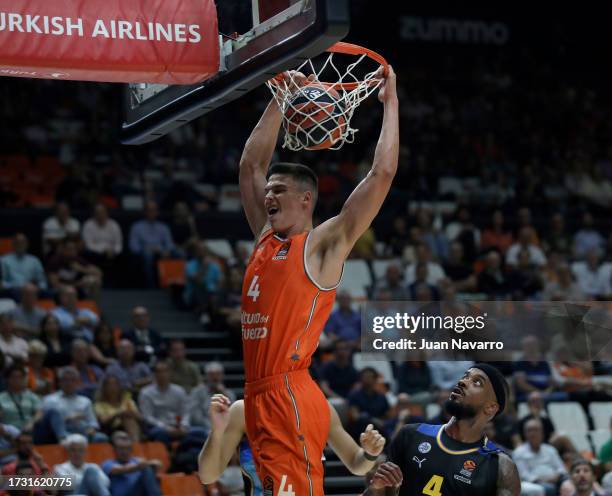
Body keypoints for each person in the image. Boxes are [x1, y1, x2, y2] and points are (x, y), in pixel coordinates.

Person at [238, 66, 398, 495]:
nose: (268, 196)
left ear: (305, 199)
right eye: (268, 190)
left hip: (288, 391)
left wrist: (391, 103)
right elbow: (251, 163)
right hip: (259, 394)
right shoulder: (265, 239)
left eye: (279, 190)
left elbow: (381, 175)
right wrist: (282, 95)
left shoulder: (322, 246)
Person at [364, 364, 521, 495]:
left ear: (491, 407)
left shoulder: (500, 466)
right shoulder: (411, 434)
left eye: (477, 382)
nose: (463, 382)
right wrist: (376, 488)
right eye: (465, 376)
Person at [198, 395, 386, 490]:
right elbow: (207, 475)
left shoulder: (319, 407)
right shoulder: (244, 410)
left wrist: (370, 453)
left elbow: (357, 464)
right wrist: (217, 431)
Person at [138, 360, 206, 444]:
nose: (162, 375)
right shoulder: (146, 392)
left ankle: (182, 449)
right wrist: (165, 427)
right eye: (159, 372)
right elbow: (148, 417)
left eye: (165, 371)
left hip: (179, 427)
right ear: (154, 374)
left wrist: (184, 425)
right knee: (159, 433)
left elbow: (185, 412)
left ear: (169, 373)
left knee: (201, 432)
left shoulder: (179, 390)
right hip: (160, 428)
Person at [35, 366, 107, 444]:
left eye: (72, 380)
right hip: (58, 433)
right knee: (54, 412)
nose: (69, 383)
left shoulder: (85, 401)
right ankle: (64, 439)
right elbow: (44, 423)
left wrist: (89, 432)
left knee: (101, 437)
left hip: (81, 432)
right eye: (65, 380)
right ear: (60, 382)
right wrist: (68, 419)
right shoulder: (50, 399)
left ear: (77, 383)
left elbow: (93, 424)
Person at [513, 418, 566, 496]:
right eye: (529, 430)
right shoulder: (519, 452)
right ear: (525, 434)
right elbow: (524, 474)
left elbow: (561, 468)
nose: (533, 433)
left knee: (569, 483)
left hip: (556, 480)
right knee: (549, 489)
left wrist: (557, 476)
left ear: (542, 433)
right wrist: (543, 480)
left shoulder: (550, 449)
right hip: (535, 484)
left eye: (536, 430)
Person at [128, 201, 175, 287]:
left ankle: (174, 285)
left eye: (154, 210)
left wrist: (166, 250)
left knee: (178, 253)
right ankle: (151, 285)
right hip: (145, 251)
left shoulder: (163, 227)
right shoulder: (136, 226)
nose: (151, 212)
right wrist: (147, 248)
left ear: (157, 212)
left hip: (161, 251)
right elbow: (133, 246)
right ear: (145, 212)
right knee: (148, 255)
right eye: (149, 210)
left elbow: (170, 243)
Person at [101, 431, 161, 496]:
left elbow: (158, 464)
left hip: (139, 493)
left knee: (148, 470)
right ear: (114, 450)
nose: (124, 452)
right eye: (121, 449)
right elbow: (121, 469)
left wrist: (152, 466)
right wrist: (141, 466)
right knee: (146, 469)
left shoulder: (138, 461)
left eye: (127, 448)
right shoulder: (107, 464)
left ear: (131, 449)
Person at [94, 374, 142, 442]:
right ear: (104, 388)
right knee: (127, 419)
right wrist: (118, 414)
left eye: (115, 384)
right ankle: (136, 446)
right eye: (109, 385)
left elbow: (140, 417)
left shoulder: (128, 401)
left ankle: (135, 444)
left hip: (131, 426)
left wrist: (131, 413)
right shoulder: (99, 405)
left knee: (129, 420)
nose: (113, 387)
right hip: (111, 429)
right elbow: (102, 422)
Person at [0, 365, 43, 433]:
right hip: (9, 432)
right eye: (14, 377)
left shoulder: (31, 395)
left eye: (20, 377)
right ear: (7, 379)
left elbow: (39, 413)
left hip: (30, 430)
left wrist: (32, 423)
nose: (17, 380)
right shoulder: (1, 398)